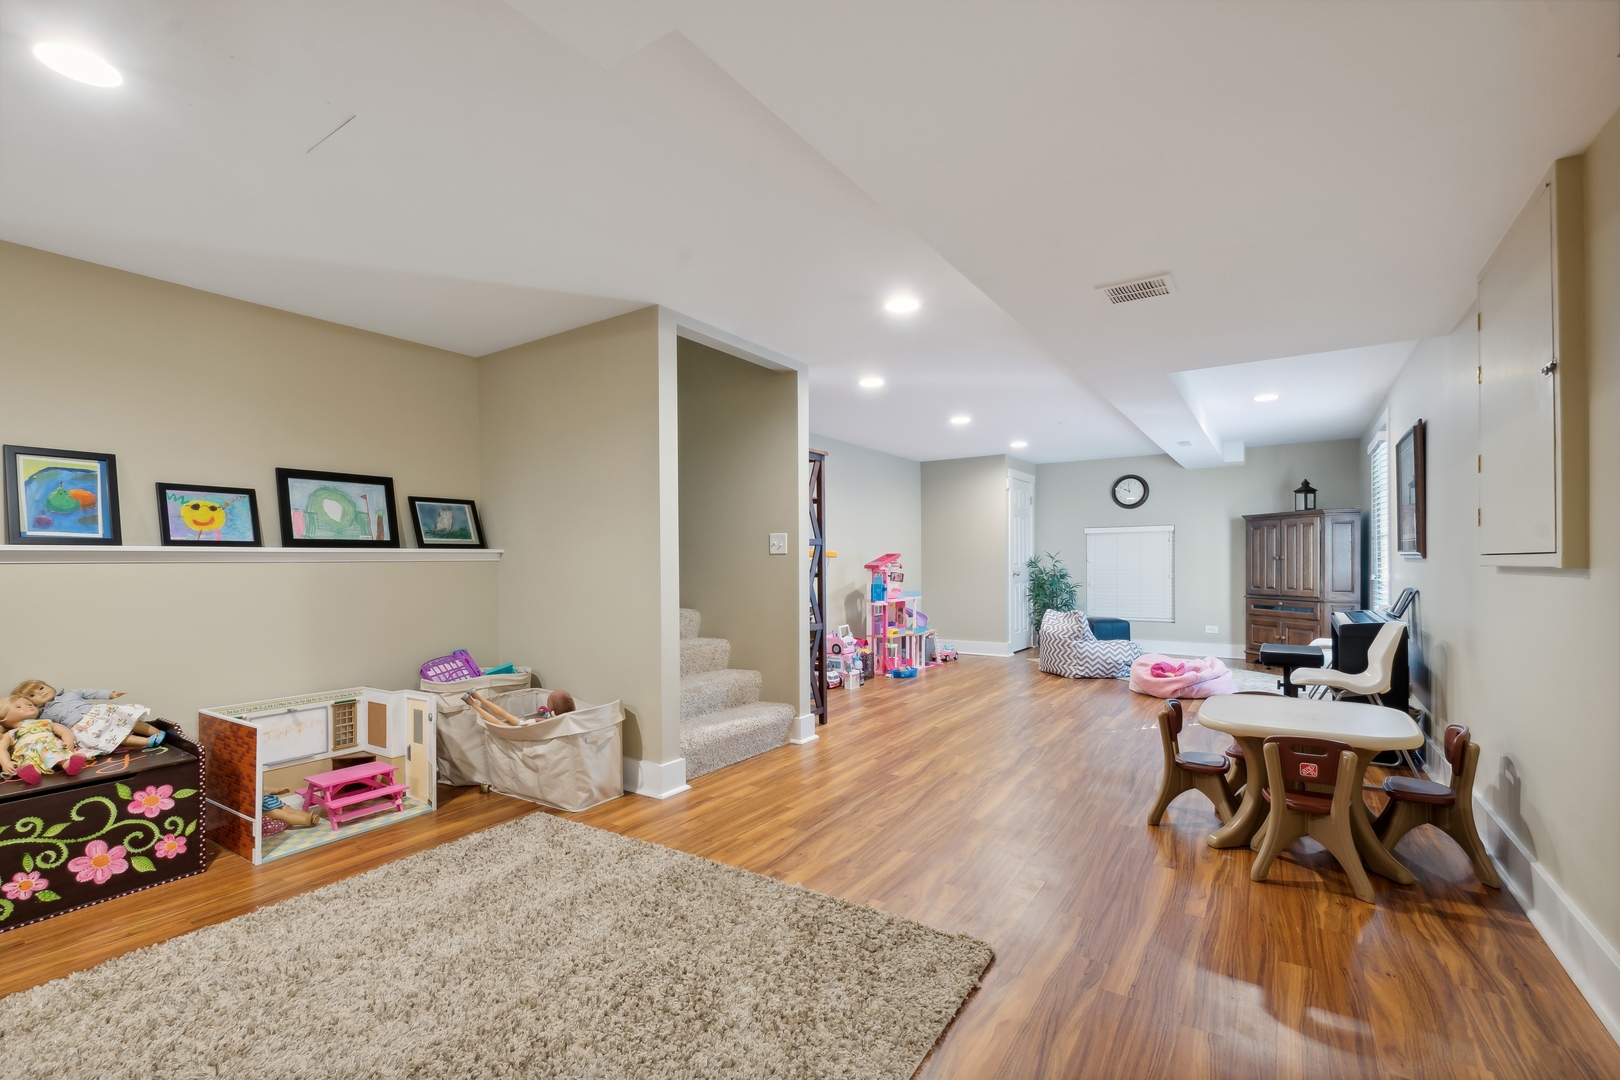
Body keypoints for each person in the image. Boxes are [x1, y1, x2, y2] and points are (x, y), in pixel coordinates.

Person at [12, 681, 165, 753]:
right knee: (114, 737)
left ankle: (157, 732)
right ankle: (147, 742)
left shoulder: (70, 694)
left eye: (41, 688)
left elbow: (90, 693)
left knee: (130, 721)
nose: (40, 693)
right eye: (33, 695)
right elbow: (46, 730)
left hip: (98, 713)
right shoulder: (43, 715)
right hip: (84, 728)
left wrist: (110, 694)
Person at [0, 694, 86, 785]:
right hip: (28, 753)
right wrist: (5, 762)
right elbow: (1, 749)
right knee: (28, 763)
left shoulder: (45, 722)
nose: (28, 706)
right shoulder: (10, 734)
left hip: (50, 746)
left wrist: (68, 741)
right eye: (18, 707)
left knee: (59, 754)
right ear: (3, 718)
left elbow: (64, 731)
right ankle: (31, 774)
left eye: (30, 704)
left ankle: (70, 765)